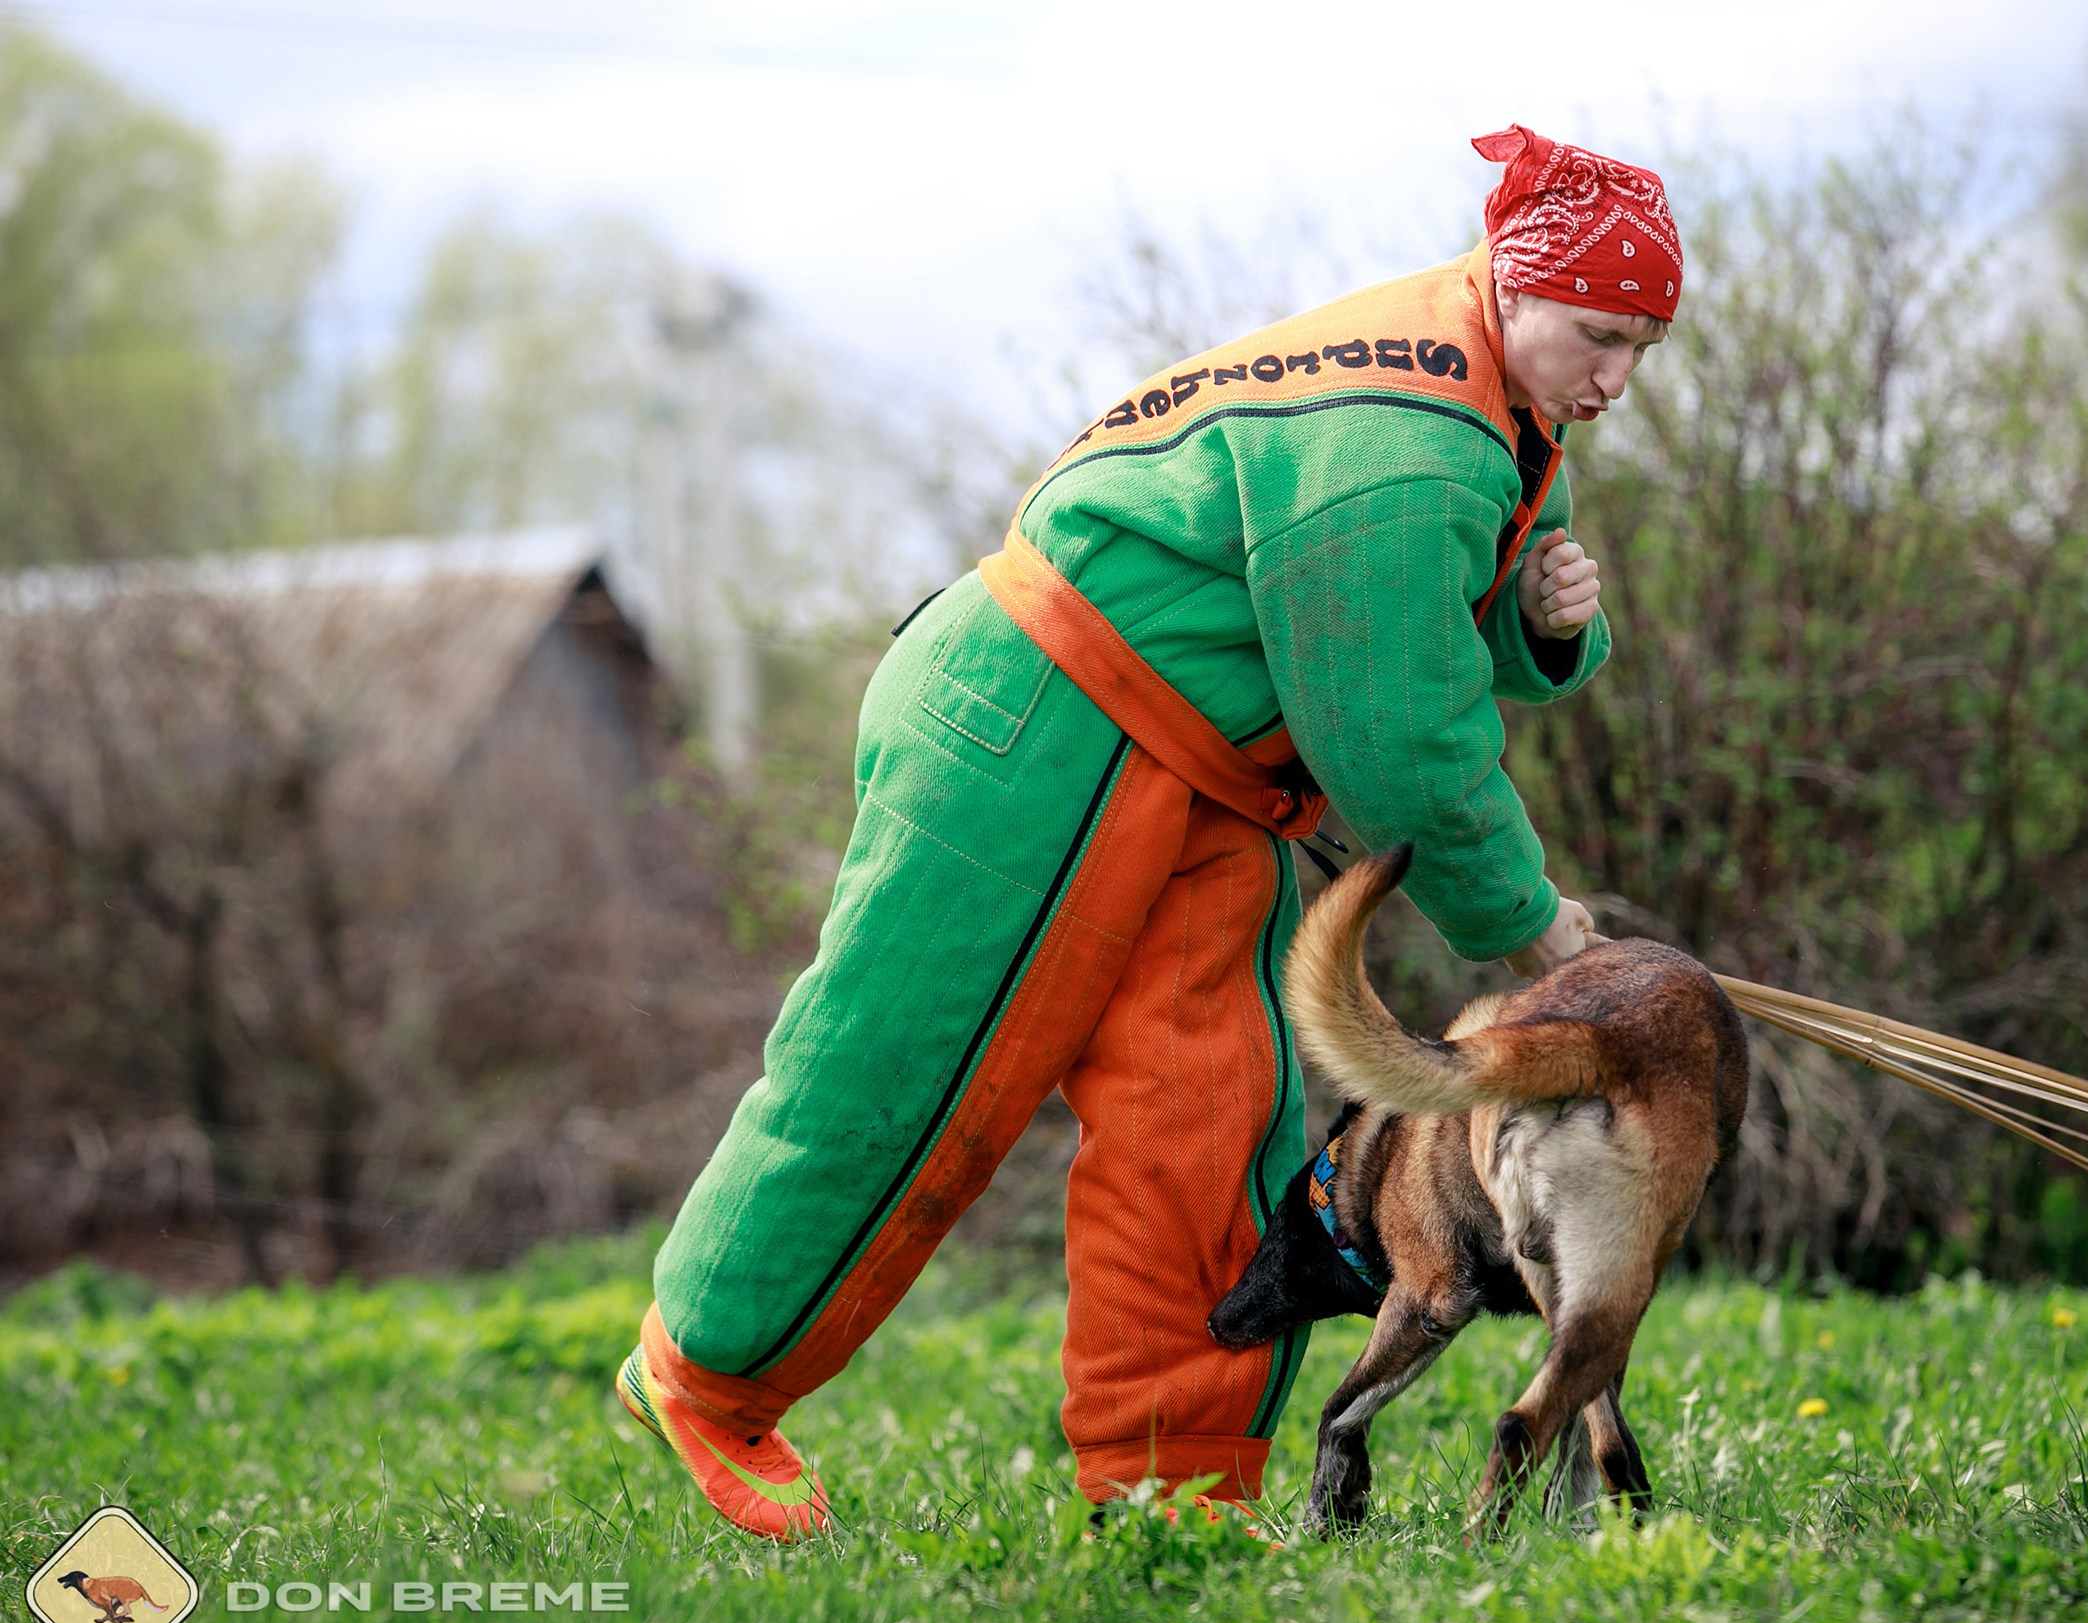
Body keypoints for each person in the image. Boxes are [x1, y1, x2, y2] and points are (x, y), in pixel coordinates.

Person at [614, 124, 1684, 1540]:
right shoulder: (1409, 440)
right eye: (1601, 337)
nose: (1617, 380)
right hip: (1027, 721)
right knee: (901, 1076)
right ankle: (704, 1379)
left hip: (1193, 775)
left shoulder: (1480, 391)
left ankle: (1174, 1488)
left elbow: (1374, 624)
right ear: (1516, 284)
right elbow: (1399, 740)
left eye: (1644, 349)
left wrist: (1543, 627)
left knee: (1212, 1124)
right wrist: (1529, 928)